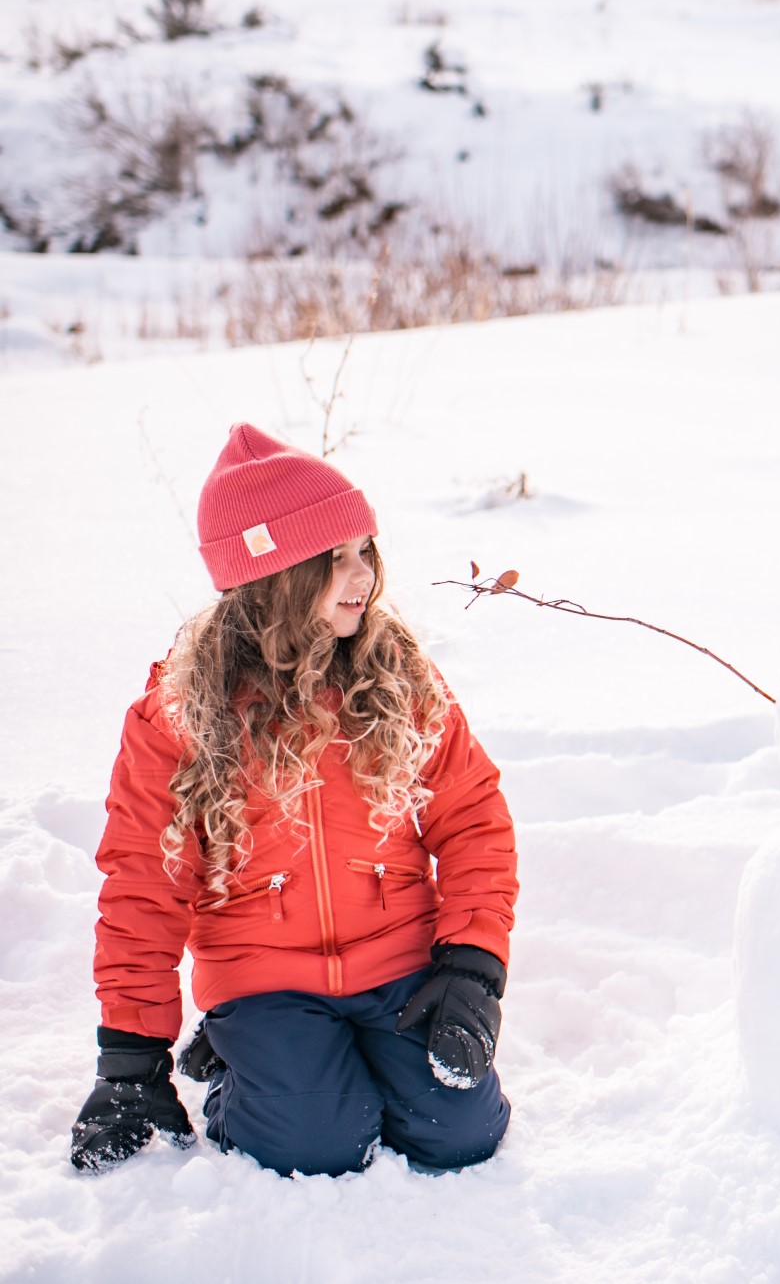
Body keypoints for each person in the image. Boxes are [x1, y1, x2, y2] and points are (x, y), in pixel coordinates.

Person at [71, 424, 518, 1176]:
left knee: (459, 1129)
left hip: (398, 967)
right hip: (264, 978)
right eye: (333, 558)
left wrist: (472, 966)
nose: (362, 577)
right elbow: (143, 880)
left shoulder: (399, 678)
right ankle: (244, 1070)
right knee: (316, 1144)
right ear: (269, 576)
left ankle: (306, 1065)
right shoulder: (181, 710)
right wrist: (129, 1055)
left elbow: (472, 817)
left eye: (365, 550)